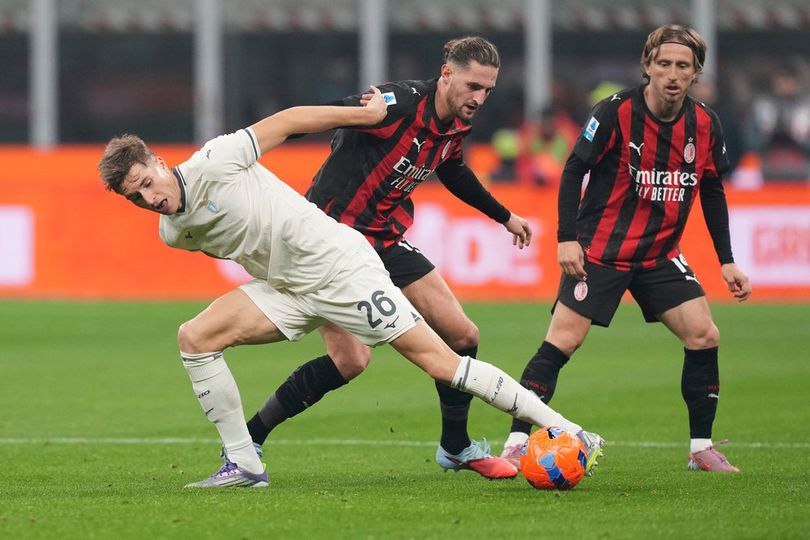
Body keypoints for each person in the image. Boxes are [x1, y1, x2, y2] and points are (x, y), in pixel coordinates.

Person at [97, 88, 604, 488]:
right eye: (134, 197)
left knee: (442, 361)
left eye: (146, 182)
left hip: (342, 269)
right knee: (196, 338)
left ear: (159, 163)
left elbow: (291, 120)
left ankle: (564, 427)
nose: (149, 198)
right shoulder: (173, 233)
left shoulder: (216, 160)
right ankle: (243, 463)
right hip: (289, 288)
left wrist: (362, 118)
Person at [245, 36, 534, 479]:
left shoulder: (455, 120)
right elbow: (317, 118)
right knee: (351, 362)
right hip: (330, 242)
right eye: (474, 86)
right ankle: (250, 440)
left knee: (462, 334)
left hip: (384, 238)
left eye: (488, 90)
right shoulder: (396, 104)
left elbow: (452, 169)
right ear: (447, 74)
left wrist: (504, 216)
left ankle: (455, 447)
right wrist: (252, 147)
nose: (480, 98)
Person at [498, 24, 751, 473]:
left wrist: (726, 260)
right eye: (665, 64)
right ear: (647, 66)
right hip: (602, 251)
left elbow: (712, 190)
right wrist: (567, 238)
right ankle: (516, 444)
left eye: (683, 66)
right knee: (562, 342)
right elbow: (574, 169)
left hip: (660, 254)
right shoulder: (616, 112)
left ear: (696, 74)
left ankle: (701, 447)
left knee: (704, 335)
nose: (673, 74)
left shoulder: (706, 123)